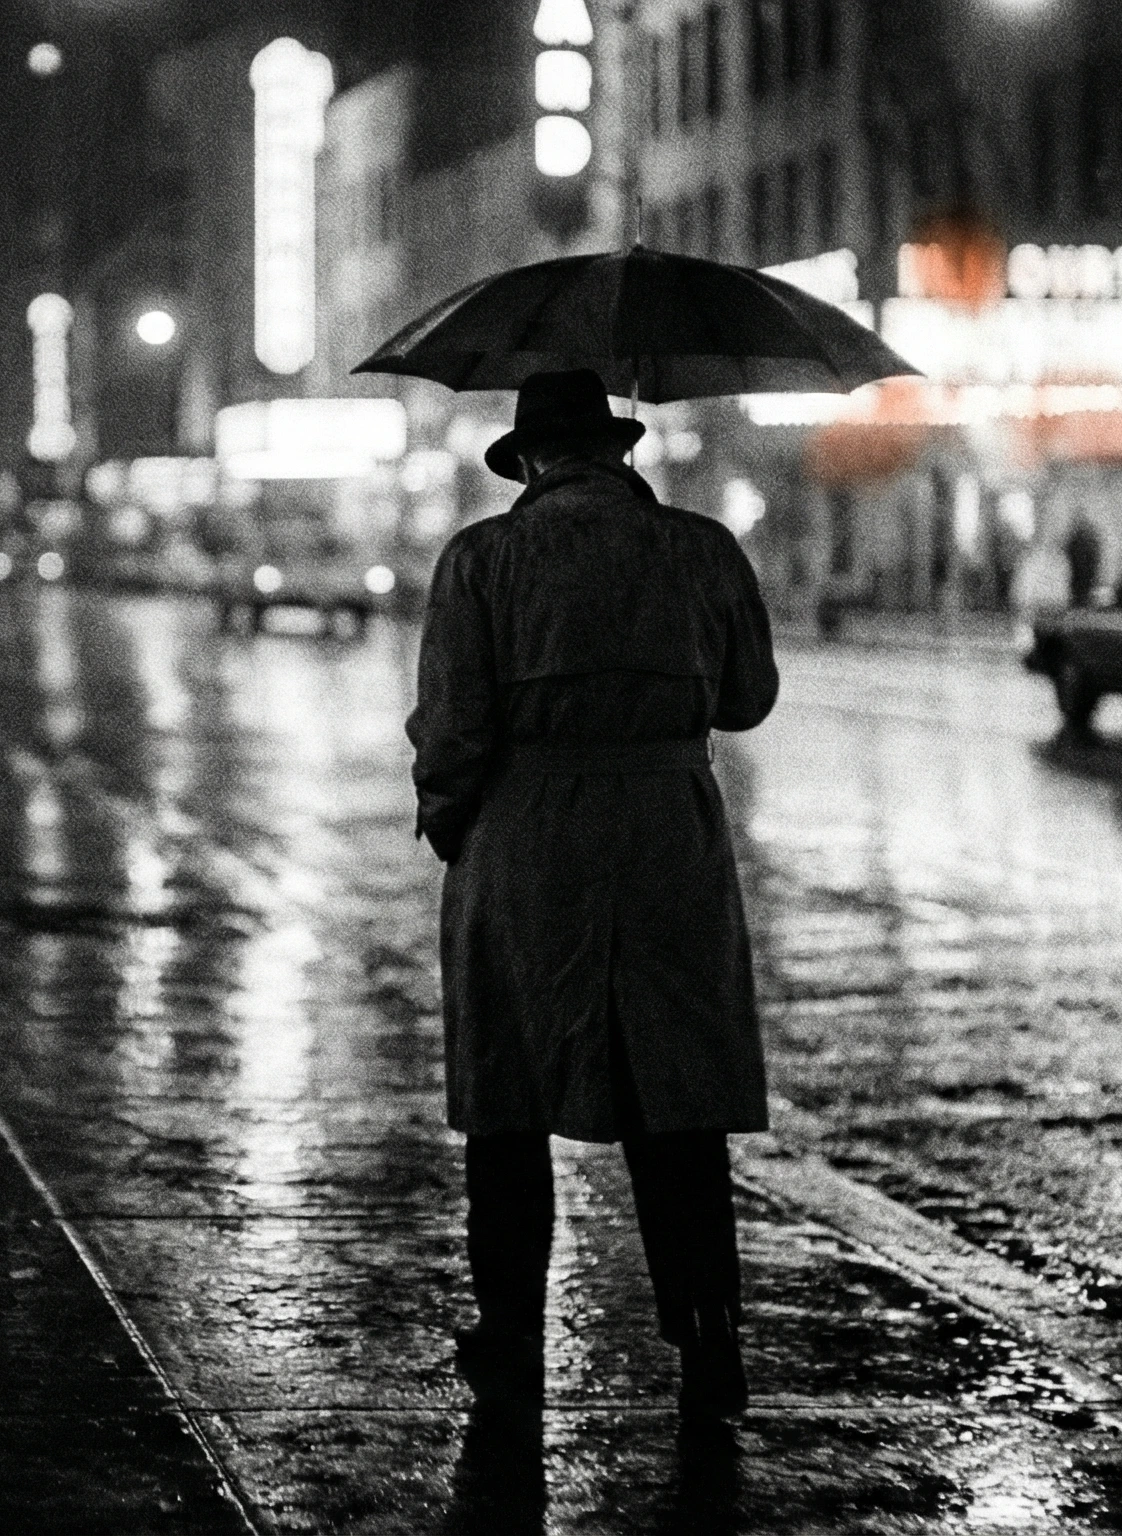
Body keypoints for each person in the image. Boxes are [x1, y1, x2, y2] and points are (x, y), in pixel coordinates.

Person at [407, 369, 779, 1431]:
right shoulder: (701, 549)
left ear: (524, 461)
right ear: (619, 452)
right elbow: (747, 699)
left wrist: (451, 822)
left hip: (526, 837)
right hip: (669, 831)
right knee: (680, 1103)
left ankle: (511, 1338)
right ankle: (708, 1337)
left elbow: (453, 727)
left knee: (507, 1101)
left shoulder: (483, 558)